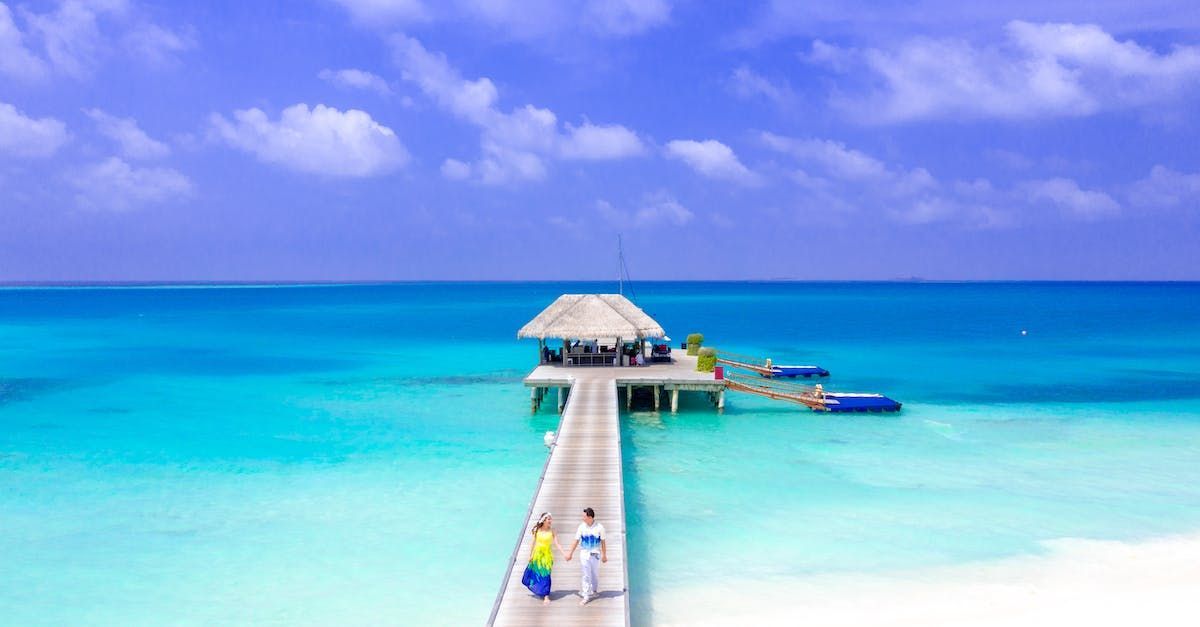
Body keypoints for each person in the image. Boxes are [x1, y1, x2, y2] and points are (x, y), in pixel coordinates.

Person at [521, 512, 566, 605]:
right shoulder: (537, 530)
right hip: (537, 555)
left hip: (547, 556)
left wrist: (564, 553)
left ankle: (546, 596)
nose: (550, 521)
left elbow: (557, 543)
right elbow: (533, 543)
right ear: (544, 520)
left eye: (551, 519)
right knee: (535, 573)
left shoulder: (552, 530)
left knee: (546, 575)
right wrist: (530, 555)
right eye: (548, 519)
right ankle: (540, 590)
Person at [564, 507, 607, 605]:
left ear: (590, 517)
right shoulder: (581, 527)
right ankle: (586, 595)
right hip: (584, 554)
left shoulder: (599, 527)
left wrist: (604, 555)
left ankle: (594, 591)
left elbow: (603, 542)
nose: (582, 518)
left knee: (594, 573)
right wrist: (570, 553)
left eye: (584, 516)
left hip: (595, 554)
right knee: (586, 575)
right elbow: (576, 541)